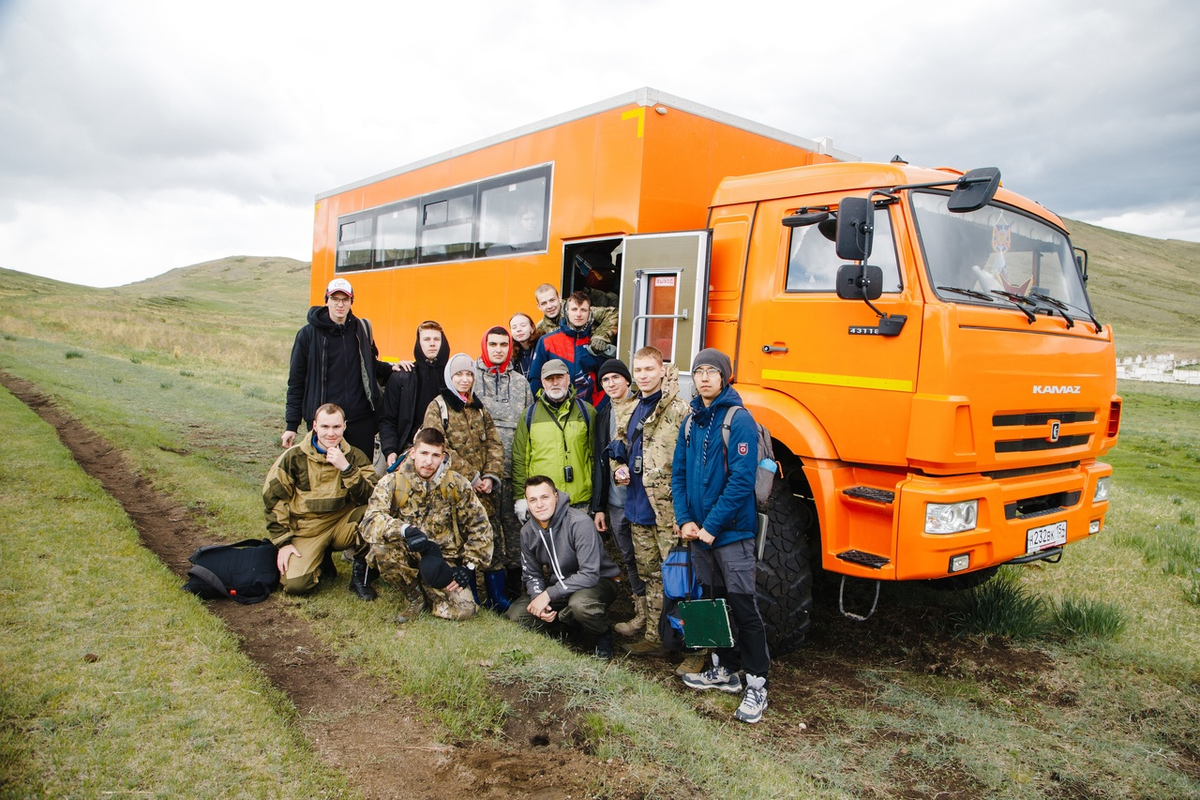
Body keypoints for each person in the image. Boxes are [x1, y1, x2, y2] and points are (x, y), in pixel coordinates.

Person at [672, 348, 771, 724]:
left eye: (712, 371)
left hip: (732, 535)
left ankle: (757, 683)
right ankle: (725, 670)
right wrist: (685, 520)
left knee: (744, 607)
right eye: (699, 371)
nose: (704, 378)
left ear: (725, 377)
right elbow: (678, 475)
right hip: (699, 534)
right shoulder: (690, 420)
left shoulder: (739, 419)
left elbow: (742, 480)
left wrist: (711, 525)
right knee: (714, 602)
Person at [606, 347, 690, 663]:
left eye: (648, 370)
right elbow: (617, 452)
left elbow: (689, 461)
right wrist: (619, 469)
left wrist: (686, 513)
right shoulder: (630, 410)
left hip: (669, 513)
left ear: (661, 370)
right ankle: (655, 637)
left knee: (680, 579)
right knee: (651, 576)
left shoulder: (680, 410)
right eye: (638, 370)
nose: (642, 376)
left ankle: (689, 644)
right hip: (639, 509)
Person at [359, 427, 493, 623]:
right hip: (405, 551)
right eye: (423, 453)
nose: (428, 461)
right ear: (413, 452)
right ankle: (414, 595)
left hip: (442, 559)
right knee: (380, 549)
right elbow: (370, 521)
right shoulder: (393, 482)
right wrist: (404, 530)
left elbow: (480, 526)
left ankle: (432, 593)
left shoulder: (457, 484)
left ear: (443, 456)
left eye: (435, 455)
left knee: (465, 610)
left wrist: (469, 566)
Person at [264, 403, 379, 599]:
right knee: (296, 586)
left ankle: (360, 578)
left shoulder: (355, 456)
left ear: (344, 426)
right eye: (325, 427)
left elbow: (373, 496)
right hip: (306, 530)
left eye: (336, 427)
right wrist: (284, 541)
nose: (331, 433)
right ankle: (321, 560)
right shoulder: (293, 457)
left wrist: (347, 469)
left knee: (374, 516)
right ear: (315, 426)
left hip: (340, 524)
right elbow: (274, 498)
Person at [420, 352, 506, 608]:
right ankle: (472, 593)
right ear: (450, 377)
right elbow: (439, 447)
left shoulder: (479, 408)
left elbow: (494, 444)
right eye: (459, 374)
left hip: (485, 490)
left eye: (469, 374)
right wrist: (473, 477)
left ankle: (498, 597)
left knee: (492, 539)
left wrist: (490, 476)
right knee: (462, 540)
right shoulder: (439, 407)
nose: (465, 379)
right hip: (456, 489)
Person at [506, 475, 620, 660]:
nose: (539, 505)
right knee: (517, 615)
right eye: (532, 500)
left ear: (556, 496)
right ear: (527, 502)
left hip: (599, 582)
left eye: (545, 497)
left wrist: (549, 595)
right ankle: (567, 622)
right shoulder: (527, 532)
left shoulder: (579, 522)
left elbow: (590, 574)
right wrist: (538, 599)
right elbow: (532, 574)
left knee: (580, 605)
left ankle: (602, 635)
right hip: (561, 585)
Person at [283, 278, 395, 458]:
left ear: (352, 302)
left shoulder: (361, 328)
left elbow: (370, 366)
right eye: (335, 299)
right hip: (325, 425)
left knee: (359, 477)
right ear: (326, 300)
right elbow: (296, 382)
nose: (340, 304)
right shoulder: (308, 334)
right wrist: (291, 425)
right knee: (324, 479)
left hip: (360, 422)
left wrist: (394, 368)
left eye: (345, 299)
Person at [474, 326, 535, 607]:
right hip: (484, 476)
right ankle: (485, 591)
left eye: (503, 344)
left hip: (513, 473)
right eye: (493, 344)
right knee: (485, 530)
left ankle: (513, 593)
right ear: (485, 346)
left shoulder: (521, 383)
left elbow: (529, 426)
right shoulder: (471, 379)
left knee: (514, 533)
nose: (498, 349)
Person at [590, 359, 645, 637]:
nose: (611, 384)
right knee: (629, 558)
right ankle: (640, 611)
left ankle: (656, 616)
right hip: (614, 502)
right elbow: (600, 464)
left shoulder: (643, 409)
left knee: (649, 559)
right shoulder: (601, 415)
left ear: (627, 380)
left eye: (616, 378)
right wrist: (599, 507)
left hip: (641, 501)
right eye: (605, 380)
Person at [512, 359, 596, 514]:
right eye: (550, 379)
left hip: (580, 502)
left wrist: (597, 502)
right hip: (543, 504)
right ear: (543, 382)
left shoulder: (587, 412)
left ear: (568, 379)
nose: (555, 383)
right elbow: (520, 459)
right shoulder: (529, 415)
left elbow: (595, 458)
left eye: (559, 378)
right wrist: (520, 498)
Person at [380, 320, 450, 467]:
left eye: (436, 339)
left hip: (446, 452)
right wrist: (390, 449)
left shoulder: (452, 378)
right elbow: (387, 418)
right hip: (408, 449)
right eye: (427, 339)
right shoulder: (402, 376)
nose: (432, 343)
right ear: (419, 343)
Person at [528, 291, 607, 405]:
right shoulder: (547, 341)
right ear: (566, 312)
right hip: (554, 410)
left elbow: (605, 382)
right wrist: (544, 407)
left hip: (587, 411)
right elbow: (535, 379)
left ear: (589, 313)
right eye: (574, 309)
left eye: (583, 310)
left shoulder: (595, 343)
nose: (578, 314)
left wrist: (596, 410)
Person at [532, 284, 619, 359]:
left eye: (552, 300)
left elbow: (615, 314)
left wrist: (599, 336)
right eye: (544, 303)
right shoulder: (540, 329)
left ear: (559, 298)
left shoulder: (576, 309)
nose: (549, 306)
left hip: (592, 361)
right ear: (538, 306)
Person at [509, 312, 541, 379]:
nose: (518, 330)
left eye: (523, 325)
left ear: (532, 328)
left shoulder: (541, 346)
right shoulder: (511, 354)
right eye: (514, 327)